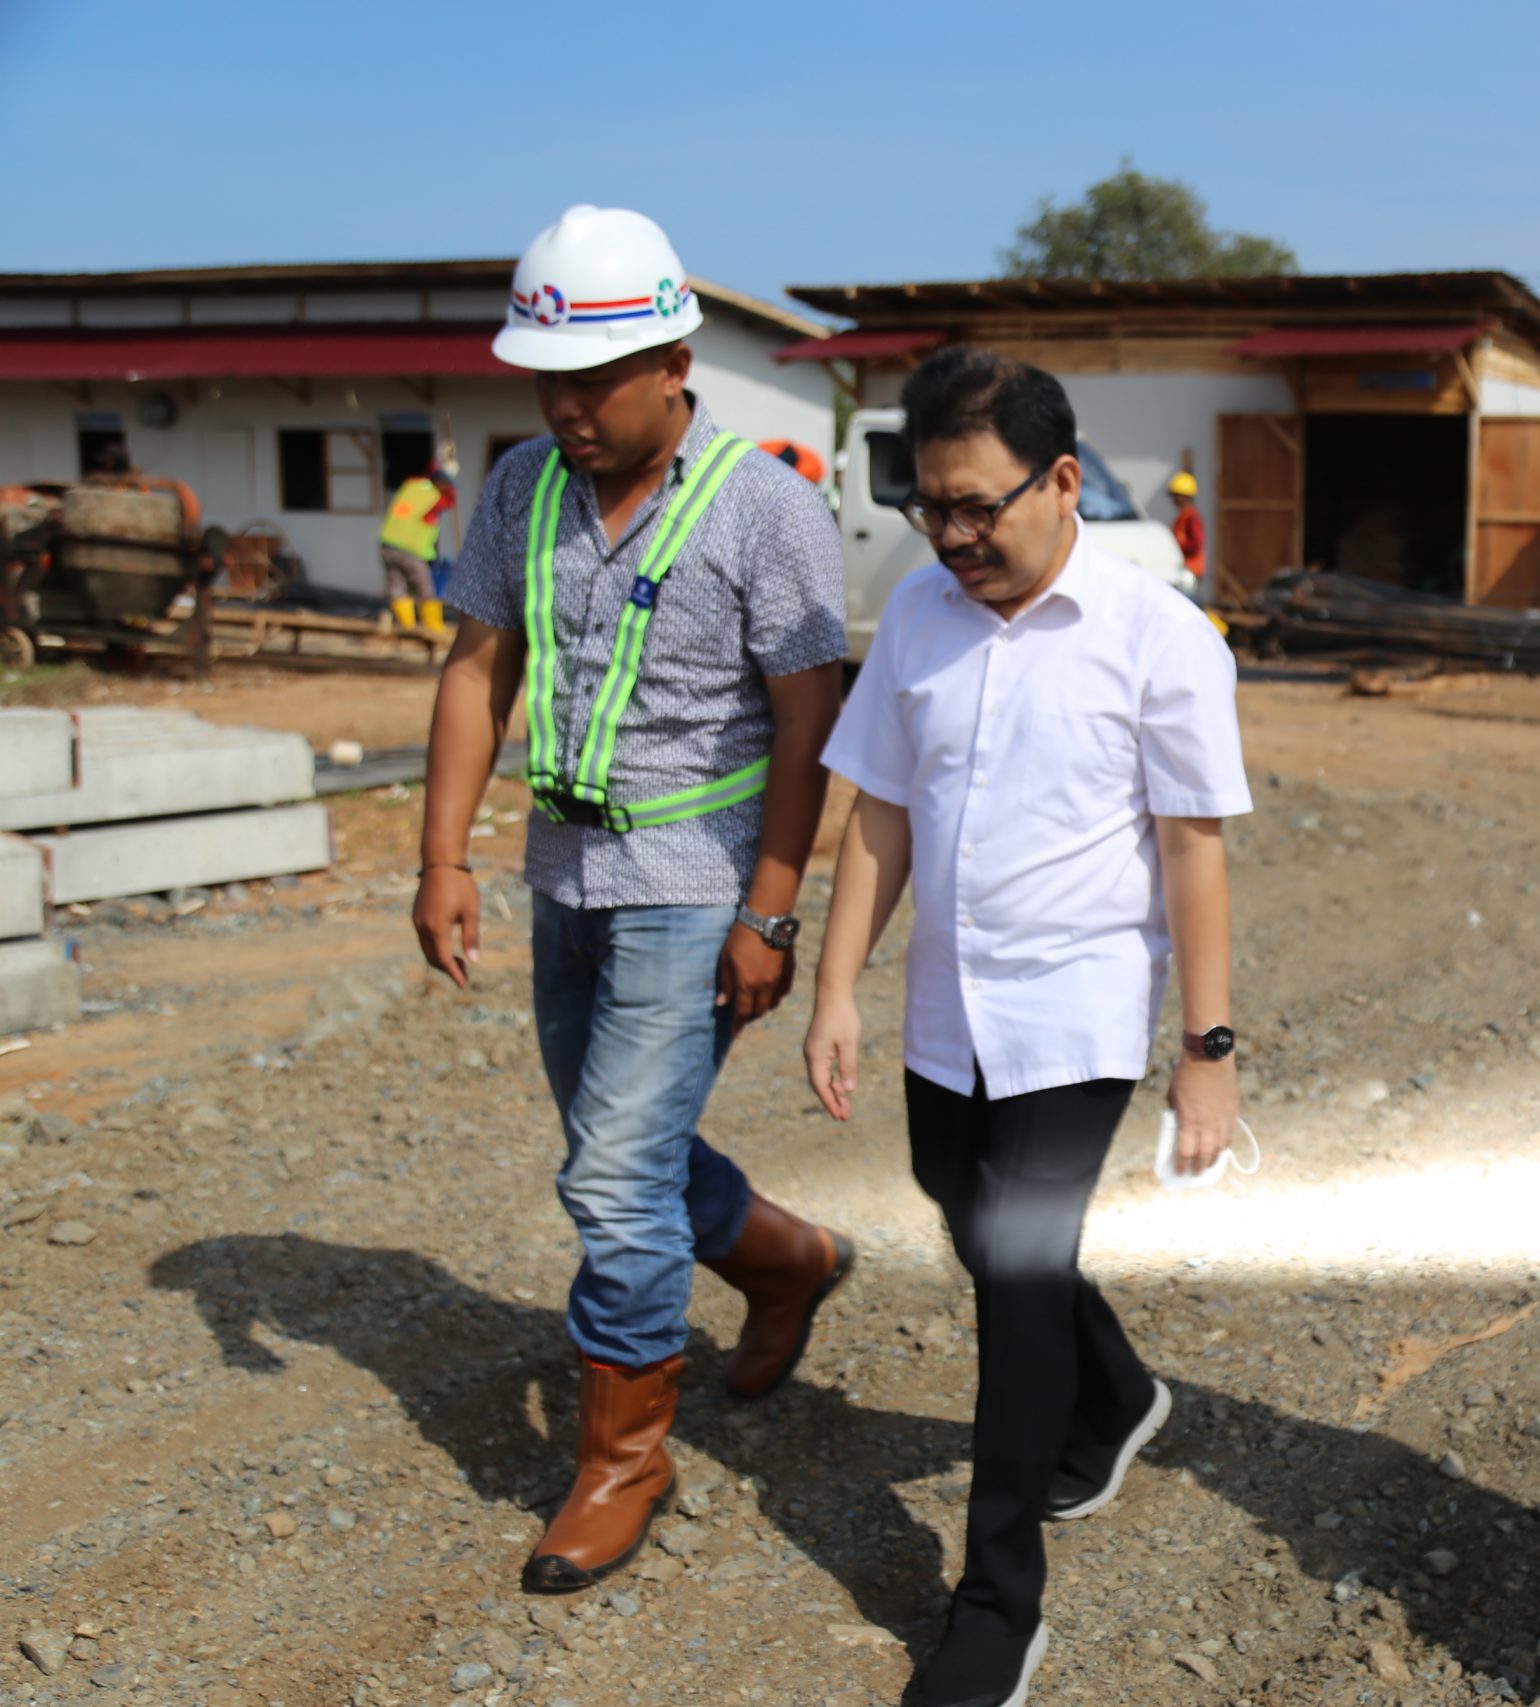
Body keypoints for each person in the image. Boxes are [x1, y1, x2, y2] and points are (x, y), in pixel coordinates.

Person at [410, 205, 854, 1597]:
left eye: (590, 379)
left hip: (696, 879)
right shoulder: (520, 486)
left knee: (610, 1169)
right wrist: (440, 856)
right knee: (623, 1146)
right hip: (565, 873)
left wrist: (771, 910)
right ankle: (784, 1256)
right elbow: (478, 669)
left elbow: (807, 722)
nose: (564, 406)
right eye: (543, 378)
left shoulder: (767, 507)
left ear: (674, 358)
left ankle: (623, 1460)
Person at [803, 345, 1250, 1707]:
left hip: (1081, 1017)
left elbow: (1192, 849)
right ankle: (1115, 1395)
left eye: (978, 505)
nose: (952, 534)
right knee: (961, 1200)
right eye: (931, 505)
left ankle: (997, 1604)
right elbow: (880, 813)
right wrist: (837, 985)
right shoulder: (923, 623)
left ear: (1061, 482)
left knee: (1010, 1275)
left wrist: (1206, 1046)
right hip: (952, 1012)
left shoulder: (1159, 635)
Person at [380, 455, 459, 633]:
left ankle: (407, 628)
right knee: (425, 587)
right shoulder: (434, 496)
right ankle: (434, 629)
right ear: (440, 481)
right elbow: (447, 502)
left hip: (387, 545)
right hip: (410, 548)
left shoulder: (412, 486)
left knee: (396, 586)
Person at [1168, 469, 1206, 582]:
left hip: (1190, 572)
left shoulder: (1191, 517)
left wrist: (1177, 548)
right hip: (1183, 571)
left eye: (1175, 496)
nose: (1173, 500)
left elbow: (1196, 543)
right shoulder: (1183, 517)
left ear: (1183, 496)